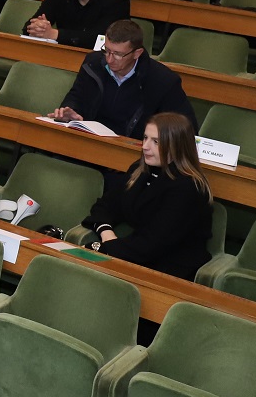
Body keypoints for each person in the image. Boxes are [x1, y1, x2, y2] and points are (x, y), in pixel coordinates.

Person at [80, 113, 213, 281]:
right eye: (145, 138)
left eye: (156, 142)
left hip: (170, 269)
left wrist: (107, 248)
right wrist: (106, 233)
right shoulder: (140, 169)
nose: (145, 146)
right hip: (137, 254)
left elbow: (154, 243)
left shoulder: (188, 187)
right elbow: (105, 206)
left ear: (177, 146)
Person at [51, 19, 194, 139]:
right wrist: (70, 111)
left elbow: (184, 127)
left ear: (137, 53)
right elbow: (76, 95)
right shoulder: (93, 63)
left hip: (132, 150)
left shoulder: (163, 80)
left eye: (118, 54)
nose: (109, 59)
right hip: (89, 139)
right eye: (107, 50)